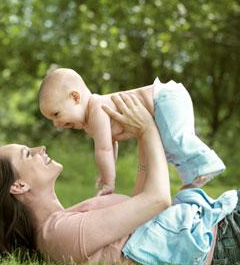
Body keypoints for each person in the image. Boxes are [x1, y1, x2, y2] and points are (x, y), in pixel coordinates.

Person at [0, 94, 239, 265]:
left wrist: (141, 135)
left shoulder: (66, 219)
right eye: (28, 153)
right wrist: (148, 130)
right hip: (224, 237)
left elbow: (142, 205)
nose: (40, 150)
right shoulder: (58, 236)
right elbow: (157, 200)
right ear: (18, 186)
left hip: (219, 219)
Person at [38, 68, 225, 195]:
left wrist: (108, 182)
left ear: (75, 97)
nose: (57, 124)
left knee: (174, 139)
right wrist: (106, 172)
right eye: (52, 120)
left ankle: (207, 161)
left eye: (56, 114)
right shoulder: (92, 118)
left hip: (164, 98)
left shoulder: (96, 108)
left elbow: (104, 150)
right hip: (168, 99)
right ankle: (193, 179)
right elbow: (112, 145)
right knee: (169, 150)